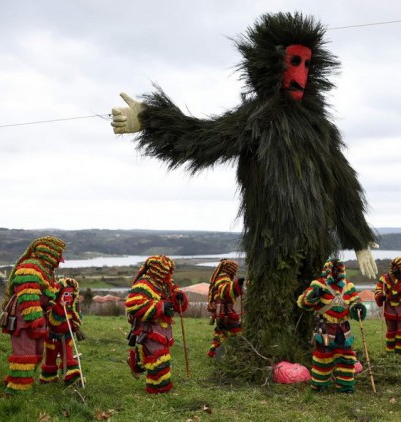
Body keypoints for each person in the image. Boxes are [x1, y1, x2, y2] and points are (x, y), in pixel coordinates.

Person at [110, 12, 378, 367]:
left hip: (315, 238)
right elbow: (202, 139)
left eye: (307, 64)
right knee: (272, 299)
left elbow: (344, 181)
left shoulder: (320, 129)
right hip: (273, 237)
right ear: (272, 64)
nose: (300, 73)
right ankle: (270, 358)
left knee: (311, 298)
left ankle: (314, 353)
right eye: (293, 61)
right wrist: (150, 119)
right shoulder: (259, 119)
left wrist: (358, 239)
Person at [1, 236, 66, 396]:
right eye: (58, 254)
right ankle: (16, 391)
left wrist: (53, 306)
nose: (60, 259)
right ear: (48, 252)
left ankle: (18, 379)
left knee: (37, 352)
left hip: (38, 318)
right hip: (24, 318)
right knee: (25, 353)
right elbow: (27, 295)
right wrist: (34, 318)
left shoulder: (46, 270)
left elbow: (45, 294)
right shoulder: (29, 267)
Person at [297, 259, 366, 392]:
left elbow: (356, 301)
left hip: (343, 328)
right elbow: (304, 302)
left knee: (346, 356)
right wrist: (316, 294)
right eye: (333, 270)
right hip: (325, 327)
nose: (335, 273)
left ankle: (345, 386)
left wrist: (358, 307)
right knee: (323, 356)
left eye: (337, 270)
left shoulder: (349, 286)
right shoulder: (318, 284)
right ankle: (319, 385)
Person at [125, 255, 188, 394]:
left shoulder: (166, 284)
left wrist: (179, 297)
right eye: (165, 271)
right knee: (159, 357)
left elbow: (174, 297)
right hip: (149, 328)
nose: (168, 274)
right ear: (157, 269)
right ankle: (159, 388)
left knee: (151, 353)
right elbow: (133, 305)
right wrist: (160, 306)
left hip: (163, 328)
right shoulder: (144, 284)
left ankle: (136, 361)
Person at [39, 277, 83, 386]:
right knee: (50, 359)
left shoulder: (73, 307)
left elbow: (77, 319)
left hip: (67, 338)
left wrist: (75, 325)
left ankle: (73, 379)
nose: (69, 298)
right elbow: (53, 321)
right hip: (52, 339)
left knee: (68, 357)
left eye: (71, 295)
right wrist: (59, 307)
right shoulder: (52, 304)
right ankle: (48, 378)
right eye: (66, 294)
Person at [374, 257, 401, 354]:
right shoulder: (384, 278)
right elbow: (378, 290)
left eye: (397, 267)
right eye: (393, 267)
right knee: (391, 330)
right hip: (389, 308)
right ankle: (390, 351)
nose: (394, 269)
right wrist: (381, 296)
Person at [207, 259, 244, 358]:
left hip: (220, 312)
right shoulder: (224, 278)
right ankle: (232, 353)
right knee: (236, 329)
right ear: (230, 269)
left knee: (220, 331)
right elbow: (225, 291)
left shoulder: (220, 277)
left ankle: (216, 352)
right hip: (225, 312)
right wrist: (237, 285)